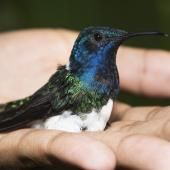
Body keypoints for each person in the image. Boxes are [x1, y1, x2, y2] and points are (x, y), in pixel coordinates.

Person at [0, 29, 170, 170]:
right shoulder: (74, 81)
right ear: (85, 47)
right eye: (98, 37)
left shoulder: (111, 77)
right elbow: (36, 108)